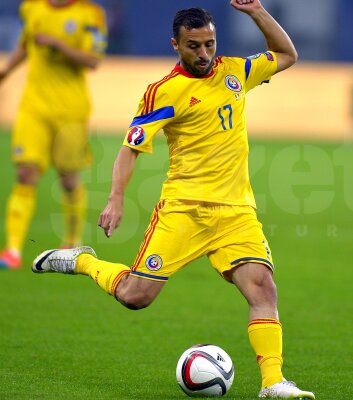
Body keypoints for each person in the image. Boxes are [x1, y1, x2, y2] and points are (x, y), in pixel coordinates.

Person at [32, 1, 315, 398]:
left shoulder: (236, 71)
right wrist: (115, 198)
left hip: (236, 212)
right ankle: (82, 261)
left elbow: (286, 54)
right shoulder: (163, 92)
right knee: (135, 296)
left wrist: (256, 12)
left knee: (263, 288)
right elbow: (130, 148)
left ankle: (273, 382)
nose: (204, 53)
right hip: (184, 211)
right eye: (194, 46)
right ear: (176, 45)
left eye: (210, 44)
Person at [0, 0, 107, 269]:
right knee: (25, 173)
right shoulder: (32, 7)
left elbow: (93, 60)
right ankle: (12, 250)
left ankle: (71, 242)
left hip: (70, 111)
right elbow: (26, 44)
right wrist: (6, 70)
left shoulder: (90, 14)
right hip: (33, 108)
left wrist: (59, 44)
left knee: (68, 179)